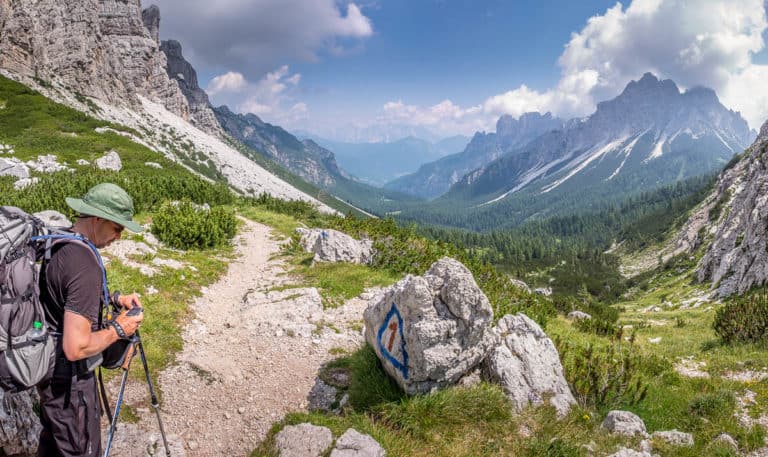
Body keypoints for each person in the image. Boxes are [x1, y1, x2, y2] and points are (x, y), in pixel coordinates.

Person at [37, 183, 146, 457]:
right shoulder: (84, 263)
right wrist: (119, 329)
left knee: (53, 446)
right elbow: (77, 347)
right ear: (97, 218)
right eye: (117, 228)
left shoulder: (63, 241)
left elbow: (64, 295)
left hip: (50, 376)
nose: (118, 237)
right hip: (71, 386)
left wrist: (115, 299)